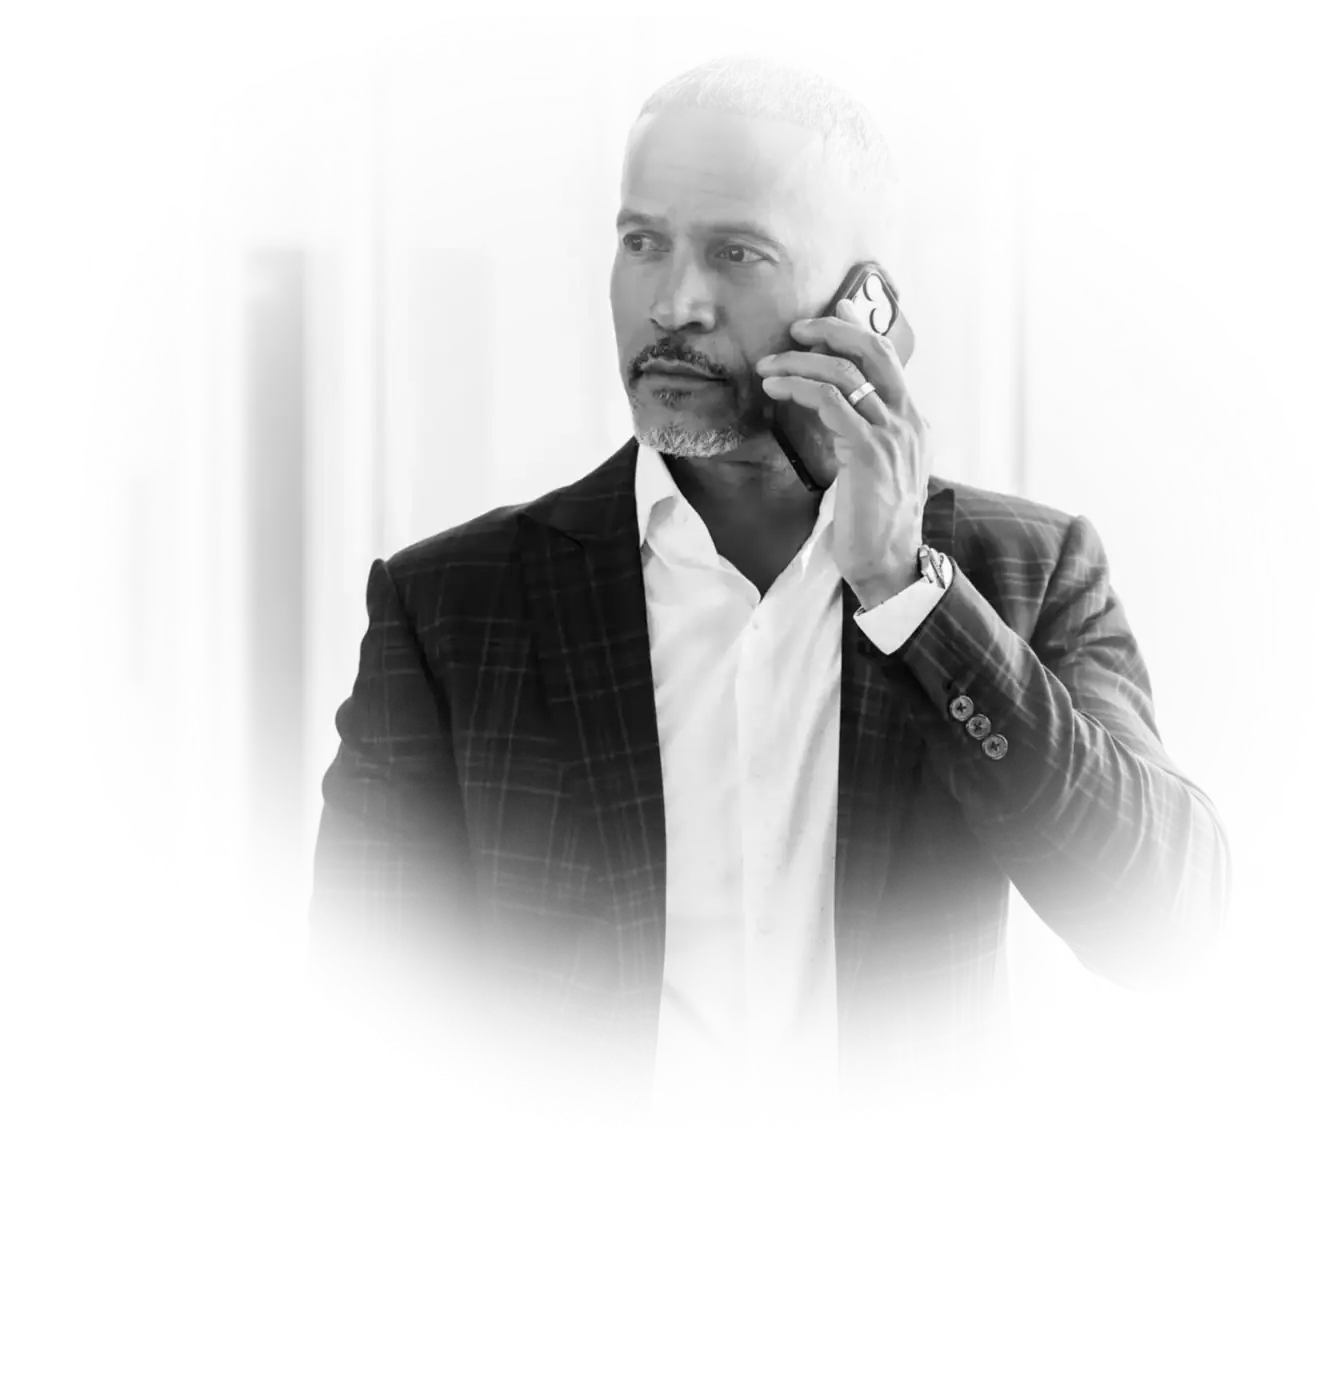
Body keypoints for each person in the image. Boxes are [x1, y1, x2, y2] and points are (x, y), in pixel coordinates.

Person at [305, 52, 1232, 1140]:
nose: (672, 302)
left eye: (734, 252)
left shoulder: (1026, 573)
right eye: (642, 241)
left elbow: (1161, 932)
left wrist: (908, 596)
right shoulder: (448, 607)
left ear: (862, 307)